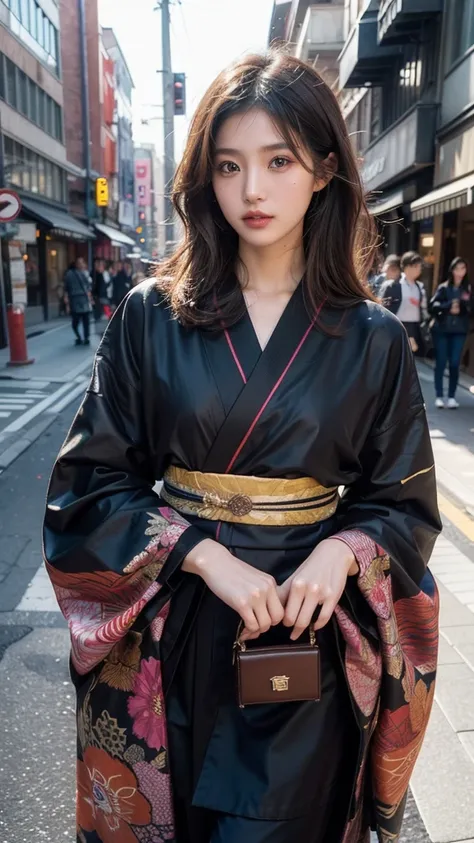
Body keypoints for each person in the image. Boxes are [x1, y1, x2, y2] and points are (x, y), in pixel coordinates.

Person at [43, 51, 441, 843]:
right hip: (173, 633)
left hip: (304, 633)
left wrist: (342, 554)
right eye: (229, 166)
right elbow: (89, 486)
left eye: (278, 161)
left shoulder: (374, 339)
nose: (251, 191)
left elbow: (401, 502)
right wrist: (203, 555)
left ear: (325, 169)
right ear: (205, 177)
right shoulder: (148, 316)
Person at [429, 257, 472, 409]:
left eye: (463, 268)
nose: (460, 272)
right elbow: (432, 305)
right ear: (452, 270)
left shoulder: (467, 289)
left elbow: (471, 310)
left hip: (459, 331)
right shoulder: (444, 287)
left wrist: (462, 306)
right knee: (440, 362)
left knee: (454, 363)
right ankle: (439, 395)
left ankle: (452, 396)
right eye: (458, 268)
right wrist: (448, 306)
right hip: (442, 330)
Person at [380, 251, 428, 356]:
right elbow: (383, 307)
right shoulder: (393, 285)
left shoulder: (419, 287)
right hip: (397, 324)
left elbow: (423, 308)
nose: (418, 269)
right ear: (406, 267)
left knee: (409, 357)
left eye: (419, 266)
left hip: (413, 326)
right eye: (415, 266)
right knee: (395, 355)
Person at [63, 257, 92, 346]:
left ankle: (85, 337)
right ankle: (80, 337)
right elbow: (66, 288)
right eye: (79, 263)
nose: (81, 264)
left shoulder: (84, 273)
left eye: (82, 262)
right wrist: (67, 301)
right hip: (75, 300)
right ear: (76, 264)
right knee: (76, 321)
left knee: (85, 321)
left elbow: (88, 287)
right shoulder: (70, 274)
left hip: (82, 299)